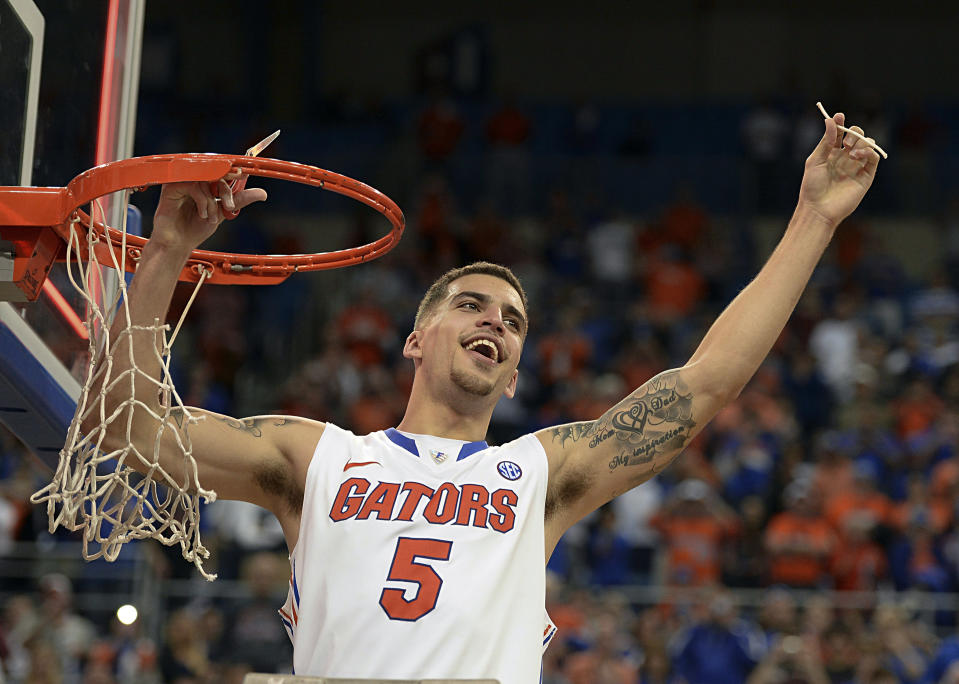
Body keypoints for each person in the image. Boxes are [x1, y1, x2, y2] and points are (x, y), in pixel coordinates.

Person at [89, 112, 881, 682]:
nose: (494, 323)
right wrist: (165, 251)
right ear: (414, 338)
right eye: (470, 304)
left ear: (511, 373)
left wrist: (812, 217)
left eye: (512, 322)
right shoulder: (317, 455)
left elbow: (704, 384)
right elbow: (125, 423)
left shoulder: (540, 474)